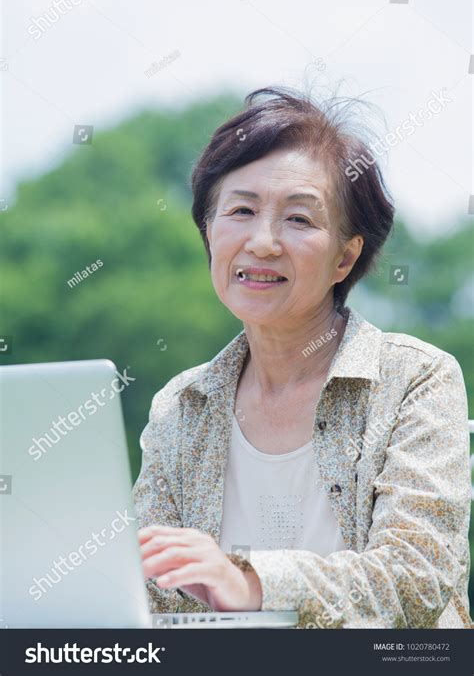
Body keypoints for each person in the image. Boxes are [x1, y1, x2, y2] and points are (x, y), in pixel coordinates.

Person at [133, 87, 472, 628]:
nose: (263, 242)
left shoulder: (416, 379)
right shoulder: (181, 406)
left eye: (299, 220)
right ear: (209, 231)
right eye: (240, 210)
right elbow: (154, 600)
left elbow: (416, 578)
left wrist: (250, 582)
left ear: (345, 256)